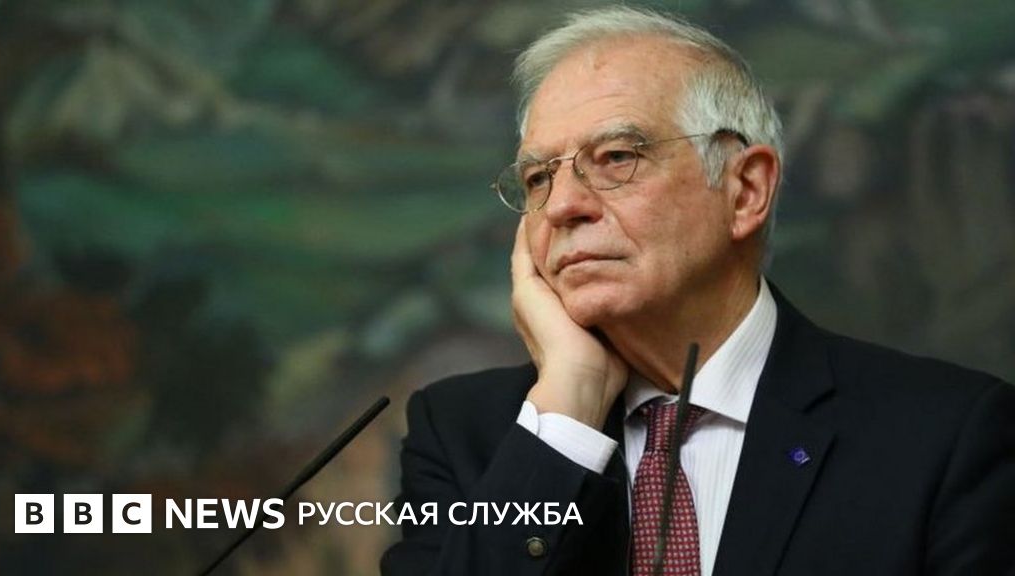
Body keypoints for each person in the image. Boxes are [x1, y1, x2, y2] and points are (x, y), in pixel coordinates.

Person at [381, 7, 1015, 576]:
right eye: (538, 178)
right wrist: (567, 410)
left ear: (745, 191)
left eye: (616, 157)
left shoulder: (947, 434)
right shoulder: (466, 434)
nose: (563, 205)